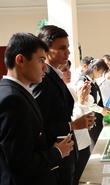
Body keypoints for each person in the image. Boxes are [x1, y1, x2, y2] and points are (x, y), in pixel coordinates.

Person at [0, 33, 73, 185]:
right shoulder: (12, 100)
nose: (45, 67)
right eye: (40, 60)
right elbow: (20, 163)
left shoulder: (16, 92)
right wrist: (58, 152)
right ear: (20, 60)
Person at [33, 25, 95, 185]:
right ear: (46, 50)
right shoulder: (43, 80)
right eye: (62, 48)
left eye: (67, 47)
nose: (68, 52)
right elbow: (38, 126)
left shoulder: (54, 76)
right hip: (55, 159)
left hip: (66, 154)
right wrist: (73, 124)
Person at [58, 60, 94, 185]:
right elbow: (75, 120)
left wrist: (85, 98)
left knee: (82, 176)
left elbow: (84, 115)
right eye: (63, 70)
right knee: (75, 178)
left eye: (68, 69)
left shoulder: (71, 88)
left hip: (83, 141)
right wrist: (81, 101)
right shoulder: (57, 93)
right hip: (73, 142)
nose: (67, 73)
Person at [77, 59, 110, 151]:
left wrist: (103, 108)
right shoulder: (83, 81)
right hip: (88, 117)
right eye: (101, 72)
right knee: (94, 145)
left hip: (96, 117)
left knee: (97, 142)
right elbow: (88, 103)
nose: (101, 75)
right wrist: (101, 110)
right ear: (95, 68)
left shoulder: (93, 80)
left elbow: (96, 99)